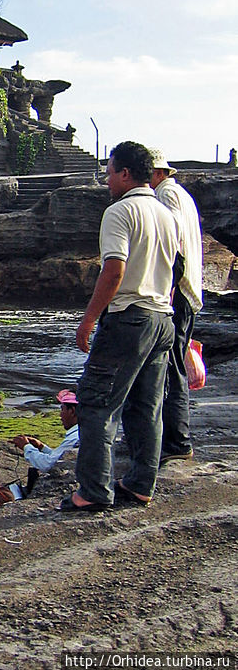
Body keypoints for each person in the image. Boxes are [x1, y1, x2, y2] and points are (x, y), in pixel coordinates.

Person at [63, 141, 178, 512]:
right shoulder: (165, 213)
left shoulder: (120, 211)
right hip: (162, 317)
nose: (106, 179)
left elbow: (114, 269)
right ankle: (142, 483)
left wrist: (90, 317)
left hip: (129, 316)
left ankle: (94, 490)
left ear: (126, 173)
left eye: (110, 172)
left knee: (97, 403)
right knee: (146, 406)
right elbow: (175, 270)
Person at [148, 150, 203, 464]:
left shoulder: (167, 196)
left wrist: (166, 288)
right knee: (174, 363)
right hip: (188, 289)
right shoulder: (179, 193)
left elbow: (174, 245)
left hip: (179, 291)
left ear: (156, 173)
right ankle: (175, 439)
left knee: (172, 367)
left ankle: (178, 442)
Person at [11, 389, 80, 473]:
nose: (60, 415)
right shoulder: (86, 432)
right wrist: (41, 447)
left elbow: (47, 465)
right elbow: (60, 457)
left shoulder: (75, 438)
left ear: (72, 411)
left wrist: (26, 447)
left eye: (62, 409)